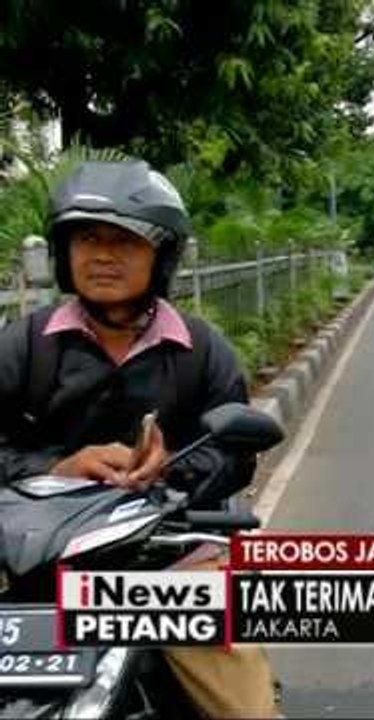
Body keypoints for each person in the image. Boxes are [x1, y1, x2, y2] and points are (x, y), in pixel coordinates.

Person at [0, 160, 280, 718]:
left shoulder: (201, 350)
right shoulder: (23, 346)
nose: (103, 255)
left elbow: (235, 454)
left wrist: (172, 468)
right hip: (33, 553)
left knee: (243, 706)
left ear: (162, 256)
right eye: (87, 237)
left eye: (124, 240)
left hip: (171, 552)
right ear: (63, 251)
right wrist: (59, 466)